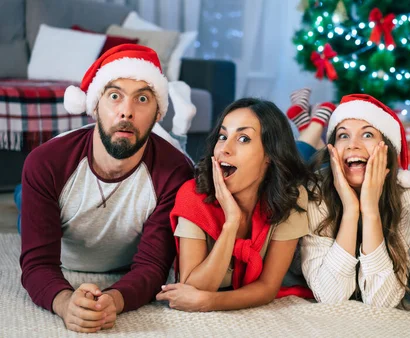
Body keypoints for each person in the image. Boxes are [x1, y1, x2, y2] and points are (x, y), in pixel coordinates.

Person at [19, 44, 194, 333]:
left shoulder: (175, 173)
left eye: (142, 99)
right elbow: (37, 264)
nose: (126, 112)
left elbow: (152, 266)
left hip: (121, 259)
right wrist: (65, 303)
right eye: (115, 96)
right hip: (64, 234)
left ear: (157, 113)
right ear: (95, 105)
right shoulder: (46, 162)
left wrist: (114, 300)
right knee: (26, 206)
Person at [156, 98, 316, 311]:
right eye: (222, 136)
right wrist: (231, 223)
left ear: (269, 154)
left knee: (310, 155)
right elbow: (193, 286)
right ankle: (311, 126)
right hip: (268, 172)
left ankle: (314, 127)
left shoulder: (291, 194)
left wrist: (211, 302)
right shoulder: (193, 195)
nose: (225, 149)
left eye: (243, 138)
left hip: (286, 170)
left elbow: (268, 287)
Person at [291, 91, 410, 308]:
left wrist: (370, 210)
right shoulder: (316, 191)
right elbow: (331, 297)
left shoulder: (403, 193)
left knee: (304, 155)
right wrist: (351, 209)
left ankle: (310, 127)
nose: (352, 145)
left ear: (388, 148)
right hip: (305, 174)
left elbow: (383, 301)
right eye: (343, 135)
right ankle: (312, 128)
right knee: (292, 167)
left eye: (367, 135)